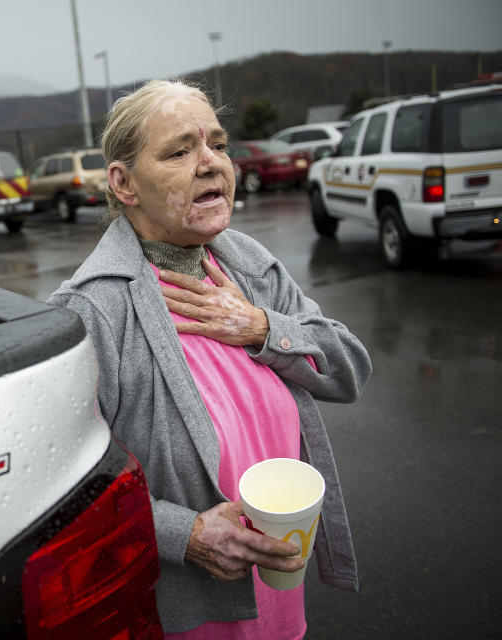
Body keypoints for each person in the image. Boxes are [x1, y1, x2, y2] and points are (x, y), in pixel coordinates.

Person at [47, 79, 371, 638]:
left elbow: (348, 370)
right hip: (186, 611)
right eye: (179, 151)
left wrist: (262, 327)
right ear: (125, 183)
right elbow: (59, 483)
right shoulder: (93, 311)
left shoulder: (249, 263)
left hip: (278, 594)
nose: (212, 164)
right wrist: (184, 534)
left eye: (217, 145)